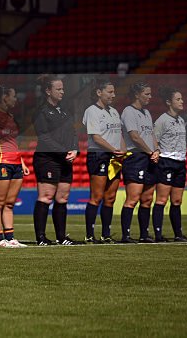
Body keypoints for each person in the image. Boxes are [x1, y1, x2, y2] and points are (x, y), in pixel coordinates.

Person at [32, 75, 78, 246]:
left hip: (65, 160)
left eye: (62, 89)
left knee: (63, 198)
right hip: (47, 159)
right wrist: (64, 151)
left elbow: (73, 133)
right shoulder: (41, 111)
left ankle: (61, 237)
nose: (62, 92)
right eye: (58, 89)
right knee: (46, 197)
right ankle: (41, 238)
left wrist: (75, 149)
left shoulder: (65, 110)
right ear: (48, 91)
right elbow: (44, 137)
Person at [83, 79, 125, 244]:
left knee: (110, 197)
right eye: (110, 92)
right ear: (99, 92)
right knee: (97, 196)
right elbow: (96, 137)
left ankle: (106, 234)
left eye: (114, 92)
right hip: (99, 155)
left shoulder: (114, 112)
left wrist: (121, 152)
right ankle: (89, 234)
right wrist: (113, 149)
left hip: (114, 158)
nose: (113, 95)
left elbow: (119, 135)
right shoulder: (91, 111)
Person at [0, 86, 28, 247]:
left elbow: (13, 142)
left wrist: (22, 162)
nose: (16, 99)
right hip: (1, 161)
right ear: (4, 97)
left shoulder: (10, 116)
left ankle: (10, 238)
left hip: (16, 162)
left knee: (10, 203)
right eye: (13, 96)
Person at [119, 82, 159, 243]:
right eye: (146, 94)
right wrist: (150, 151)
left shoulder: (147, 112)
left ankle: (144, 234)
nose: (150, 97)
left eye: (150, 94)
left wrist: (156, 150)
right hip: (136, 158)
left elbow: (152, 135)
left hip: (150, 157)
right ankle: (126, 235)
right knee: (133, 198)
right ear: (137, 94)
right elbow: (134, 136)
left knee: (147, 199)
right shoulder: (128, 112)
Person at [153, 88, 187, 242]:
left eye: (181, 99)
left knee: (177, 201)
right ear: (168, 102)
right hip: (166, 162)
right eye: (178, 99)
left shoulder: (181, 120)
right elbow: (153, 138)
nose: (181, 101)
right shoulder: (162, 120)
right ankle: (158, 235)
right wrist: (157, 151)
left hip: (180, 162)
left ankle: (178, 234)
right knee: (161, 200)